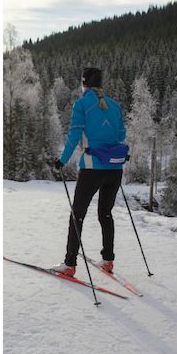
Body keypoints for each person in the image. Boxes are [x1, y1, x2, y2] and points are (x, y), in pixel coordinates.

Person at [52, 68, 127, 277]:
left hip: (92, 169)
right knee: (105, 214)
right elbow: (121, 133)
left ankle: (69, 264)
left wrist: (62, 160)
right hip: (115, 169)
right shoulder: (115, 105)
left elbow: (74, 134)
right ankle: (108, 260)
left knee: (77, 215)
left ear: (84, 84)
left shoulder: (82, 104)